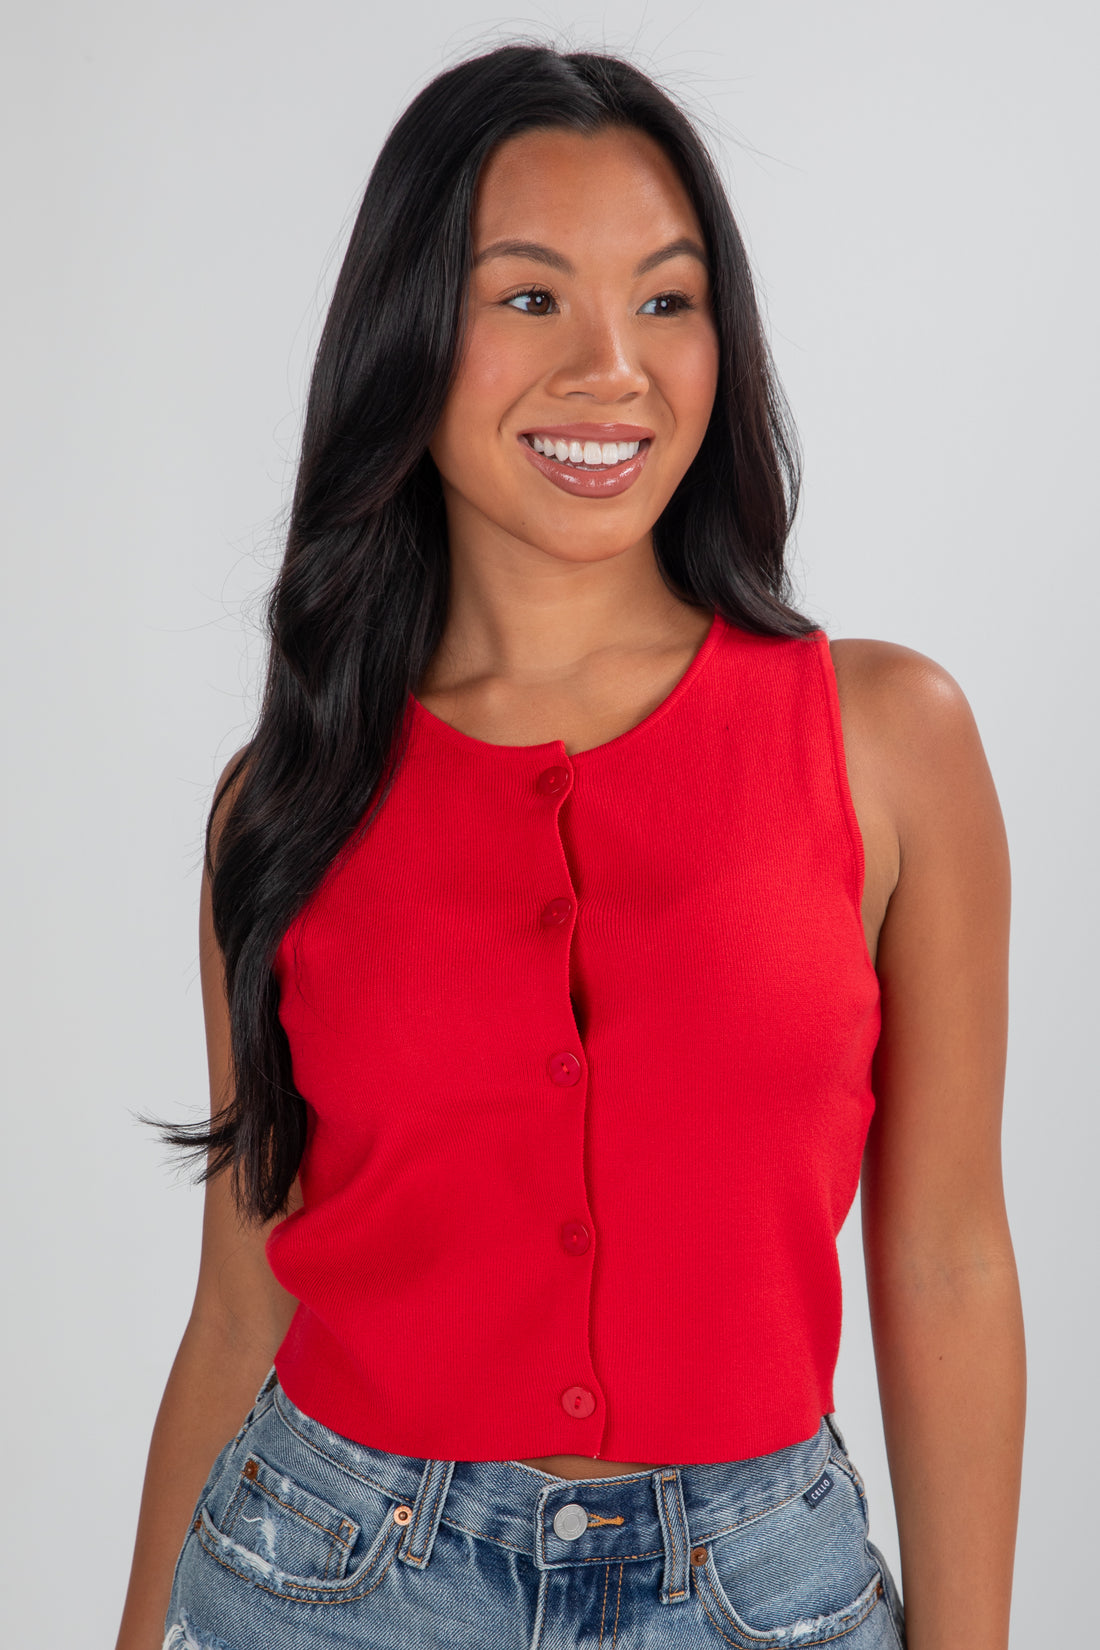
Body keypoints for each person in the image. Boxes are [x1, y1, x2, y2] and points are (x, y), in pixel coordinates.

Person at [115, 42, 1025, 1650]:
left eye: (668, 300)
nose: (613, 366)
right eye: (531, 297)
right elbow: (242, 1302)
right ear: (407, 336)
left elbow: (948, 1257)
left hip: (758, 1589)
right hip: (323, 1580)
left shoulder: (888, 741)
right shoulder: (290, 797)